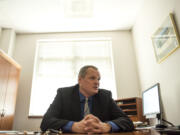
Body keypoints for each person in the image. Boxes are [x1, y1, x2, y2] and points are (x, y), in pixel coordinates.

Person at [40, 65, 134, 133]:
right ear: (80, 80)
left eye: (98, 79)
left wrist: (107, 126)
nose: (97, 82)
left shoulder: (105, 96)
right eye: (92, 78)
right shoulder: (64, 94)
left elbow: (127, 121)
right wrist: (73, 126)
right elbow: (46, 122)